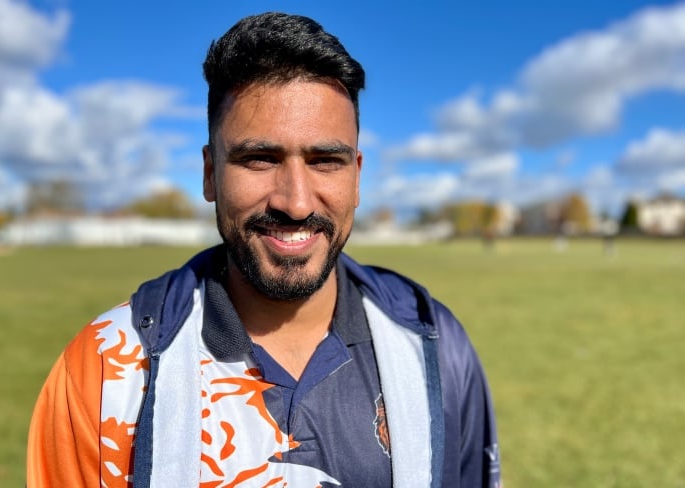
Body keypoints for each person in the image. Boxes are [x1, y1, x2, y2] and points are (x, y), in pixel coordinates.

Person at [27, 12, 501, 488]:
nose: (295, 202)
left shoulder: (435, 346)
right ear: (211, 173)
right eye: (259, 159)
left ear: (357, 174)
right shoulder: (106, 368)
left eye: (325, 161)